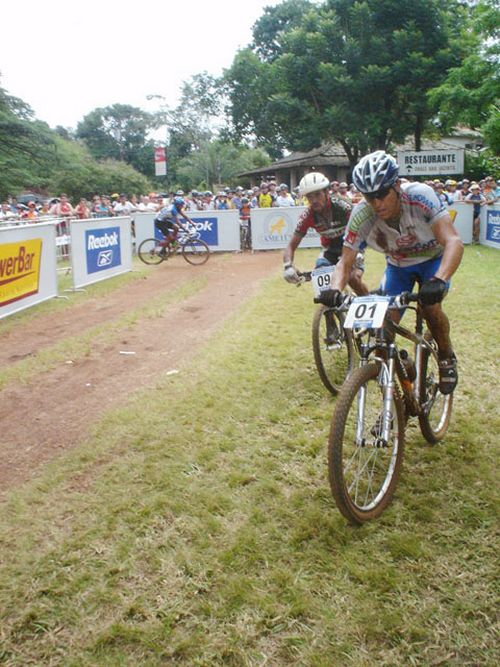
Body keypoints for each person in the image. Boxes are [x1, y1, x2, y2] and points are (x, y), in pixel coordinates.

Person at [324, 150, 463, 395]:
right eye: (369, 196)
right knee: (382, 330)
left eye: (382, 194)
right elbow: (344, 263)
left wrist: (439, 279)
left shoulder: (421, 196)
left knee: (430, 308)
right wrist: (334, 290)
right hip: (398, 267)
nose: (376, 203)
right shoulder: (362, 214)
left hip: (432, 260)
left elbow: (453, 241)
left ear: (397, 186)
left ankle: (445, 354)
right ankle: (398, 390)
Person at [282, 171, 369, 296]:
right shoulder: (308, 216)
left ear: (326, 192)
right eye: (309, 197)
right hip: (330, 250)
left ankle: (368, 302)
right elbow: (291, 246)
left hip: (351, 247)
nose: (314, 200)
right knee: (322, 285)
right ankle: (328, 312)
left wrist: (359, 251)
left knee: (353, 278)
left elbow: (363, 229)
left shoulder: (343, 207)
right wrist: (287, 266)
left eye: (317, 194)